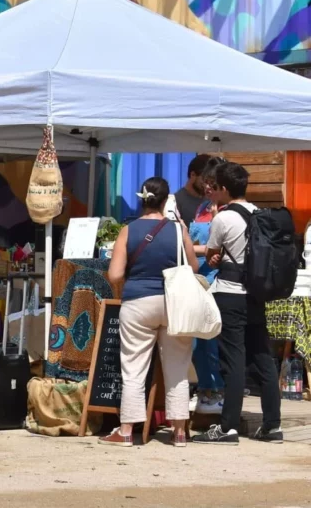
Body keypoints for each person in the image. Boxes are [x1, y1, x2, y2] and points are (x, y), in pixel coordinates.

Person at [102, 177, 199, 447]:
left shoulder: (128, 230)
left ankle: (125, 431)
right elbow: (193, 269)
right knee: (177, 368)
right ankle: (179, 431)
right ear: (166, 201)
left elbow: (115, 274)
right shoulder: (179, 230)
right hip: (173, 304)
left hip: (137, 303)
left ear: (141, 200)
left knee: (133, 368)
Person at [194, 162, 283, 444]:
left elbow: (211, 255)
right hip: (257, 294)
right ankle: (272, 426)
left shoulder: (222, 218)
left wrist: (214, 258)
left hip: (230, 294)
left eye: (214, 187)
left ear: (223, 189)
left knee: (232, 361)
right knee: (262, 358)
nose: (212, 190)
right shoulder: (261, 214)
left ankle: (228, 426)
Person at [188, 157, 226, 415]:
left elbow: (221, 249)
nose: (208, 187)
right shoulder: (202, 206)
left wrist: (192, 247)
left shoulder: (224, 211)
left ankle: (216, 392)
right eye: (206, 181)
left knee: (210, 341)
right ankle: (204, 389)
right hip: (195, 280)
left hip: (214, 280)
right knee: (195, 341)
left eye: (213, 183)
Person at [174, 154, 215, 226]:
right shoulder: (177, 201)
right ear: (193, 175)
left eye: (211, 181)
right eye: (205, 180)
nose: (208, 185)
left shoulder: (211, 200)